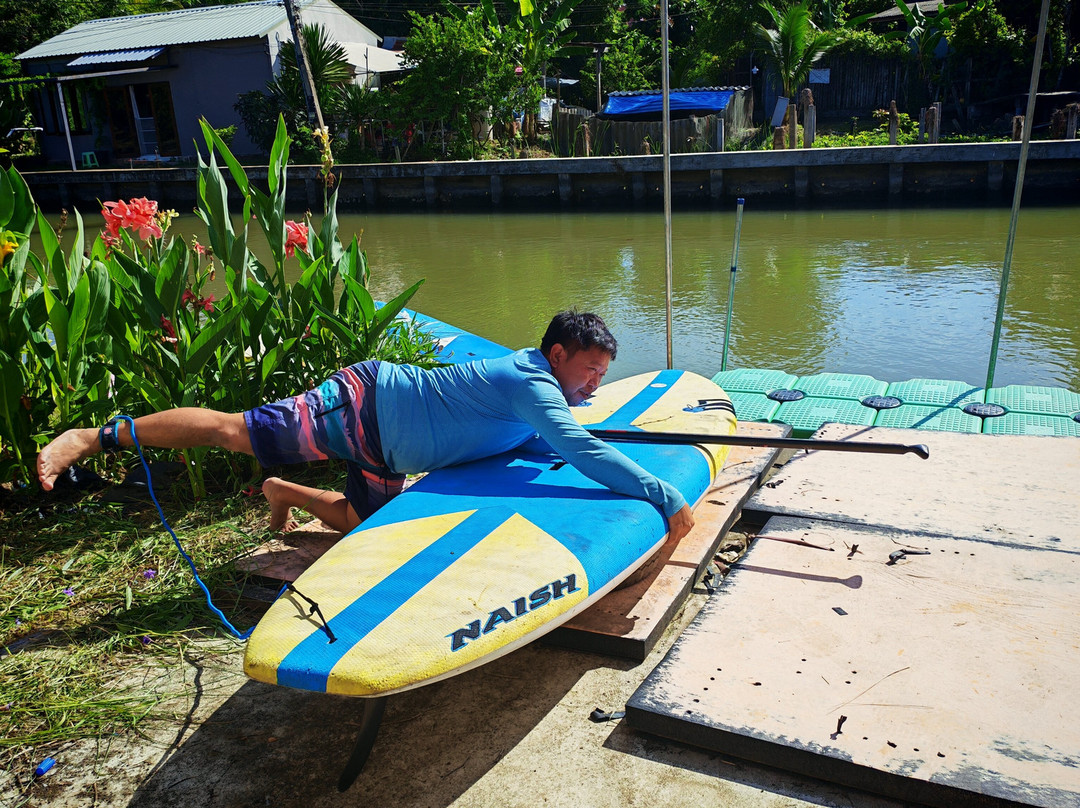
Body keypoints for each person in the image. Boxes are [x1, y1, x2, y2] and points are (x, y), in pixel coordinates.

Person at [37, 311, 696, 542]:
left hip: (389, 447)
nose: (593, 386)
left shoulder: (537, 387)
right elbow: (575, 445)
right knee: (234, 430)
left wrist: (564, 426)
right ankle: (94, 438)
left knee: (362, 523)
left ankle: (283, 493)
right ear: (556, 356)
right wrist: (662, 496)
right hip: (360, 407)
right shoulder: (532, 383)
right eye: (588, 371)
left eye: (602, 375)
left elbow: (545, 435)